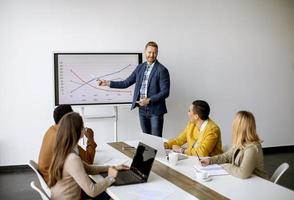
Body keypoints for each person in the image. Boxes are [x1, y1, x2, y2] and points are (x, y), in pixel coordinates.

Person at [48, 112, 129, 200]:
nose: (85, 129)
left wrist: (113, 168)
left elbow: (89, 169)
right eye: (83, 127)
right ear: (77, 131)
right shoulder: (72, 158)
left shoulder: (64, 149)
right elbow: (92, 191)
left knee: (106, 191)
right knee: (112, 192)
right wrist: (111, 177)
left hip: (64, 196)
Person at [97, 41, 170, 137]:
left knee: (155, 141)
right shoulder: (140, 67)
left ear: (157, 53)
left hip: (155, 111)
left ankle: (159, 153)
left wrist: (149, 100)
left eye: (154, 52)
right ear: (145, 52)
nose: (151, 55)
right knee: (146, 140)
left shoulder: (162, 70)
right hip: (142, 110)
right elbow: (126, 83)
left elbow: (165, 92)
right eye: (149, 52)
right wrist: (108, 83)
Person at [200, 111, 269, 179]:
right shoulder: (241, 142)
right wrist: (210, 160)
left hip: (258, 183)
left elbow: (242, 174)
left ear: (238, 128)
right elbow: (227, 156)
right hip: (246, 182)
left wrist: (224, 166)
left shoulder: (252, 148)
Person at [38, 105, 97, 183]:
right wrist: (90, 139)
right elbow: (89, 161)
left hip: (48, 178)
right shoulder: (63, 137)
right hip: (57, 183)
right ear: (67, 120)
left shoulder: (51, 130)